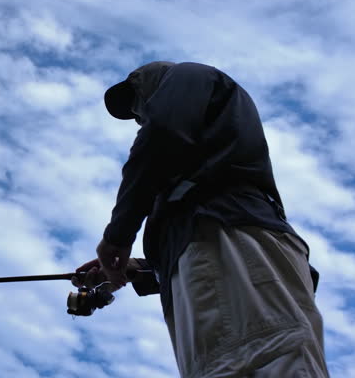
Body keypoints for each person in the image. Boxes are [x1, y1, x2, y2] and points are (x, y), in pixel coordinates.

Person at [73, 61, 329, 377]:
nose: (140, 118)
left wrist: (117, 235)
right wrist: (140, 268)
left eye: (138, 103)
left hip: (224, 232)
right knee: (235, 363)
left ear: (153, 83)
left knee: (257, 360)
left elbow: (162, 134)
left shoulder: (188, 75)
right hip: (223, 243)